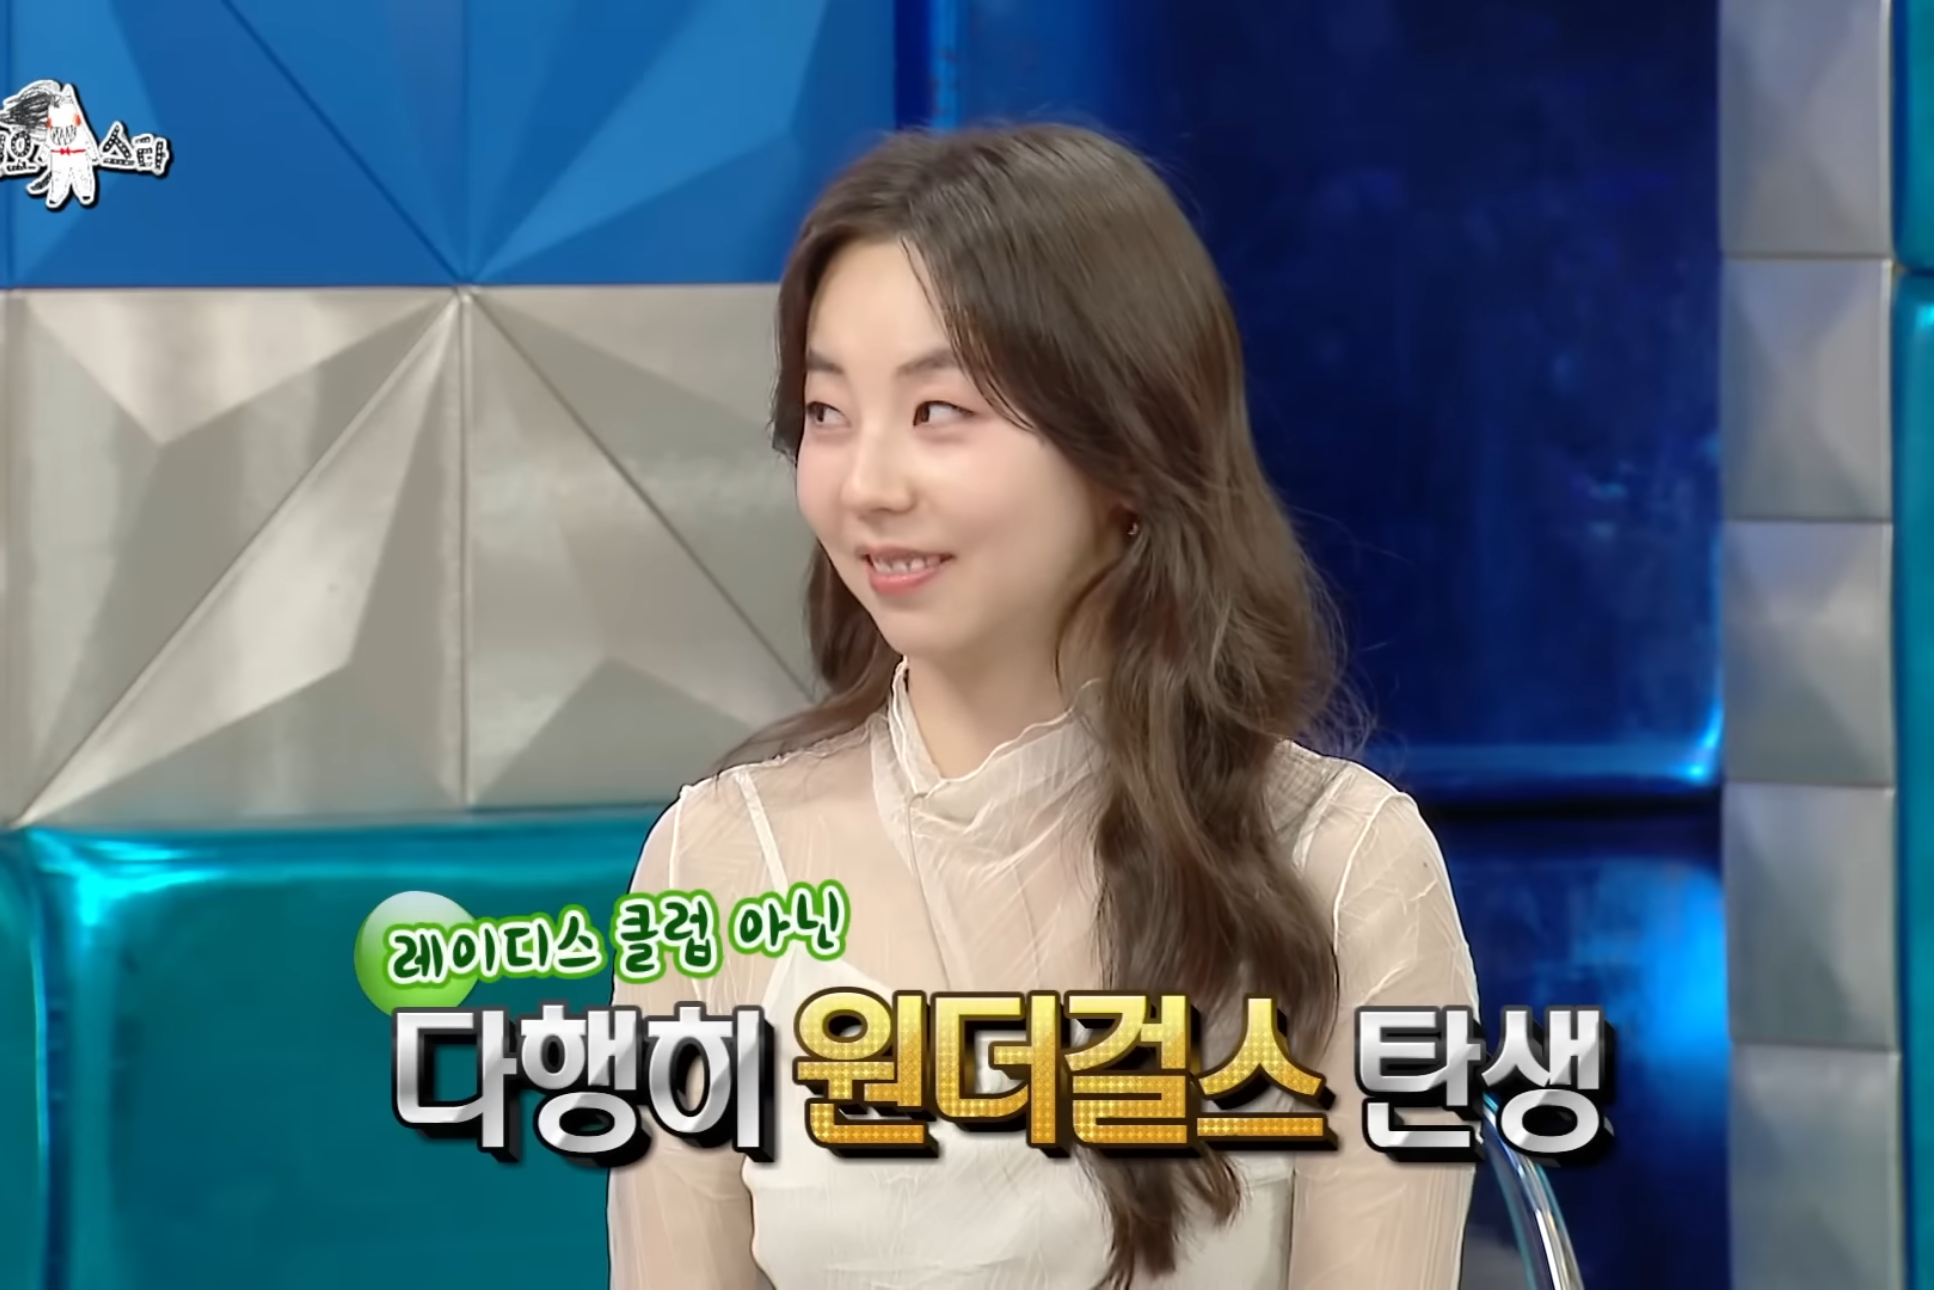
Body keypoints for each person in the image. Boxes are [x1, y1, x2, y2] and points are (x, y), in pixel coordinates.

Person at [607, 123, 1478, 1289]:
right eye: (826, 413)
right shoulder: (721, 862)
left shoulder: (1346, 865)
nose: (866, 485)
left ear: (1127, 452)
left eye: (939, 411)